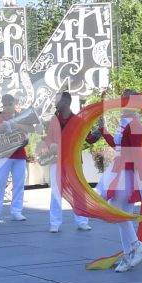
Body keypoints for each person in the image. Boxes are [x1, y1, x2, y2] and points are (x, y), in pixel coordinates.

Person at [98, 91, 142, 271]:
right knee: (122, 214)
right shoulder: (126, 122)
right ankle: (128, 254)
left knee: (119, 212)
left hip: (128, 172)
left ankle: (136, 245)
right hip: (121, 170)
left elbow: (136, 153)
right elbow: (119, 147)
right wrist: (104, 131)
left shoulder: (134, 124)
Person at [42, 91, 91, 232]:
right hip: (56, 161)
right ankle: (55, 222)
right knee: (56, 191)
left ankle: (82, 220)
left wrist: (101, 131)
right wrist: (50, 144)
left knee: (77, 190)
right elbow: (48, 138)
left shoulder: (77, 120)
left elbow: (86, 139)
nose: (55, 103)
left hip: (72, 161)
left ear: (66, 102)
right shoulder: (53, 120)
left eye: (57, 101)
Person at [0, 93, 30, 223]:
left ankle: (16, 211)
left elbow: (29, 129)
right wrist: (0, 127)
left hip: (19, 153)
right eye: (5, 104)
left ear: (14, 104)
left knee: (19, 183)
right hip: (3, 153)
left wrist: (19, 127)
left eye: (9, 104)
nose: (7, 107)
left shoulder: (20, 116)